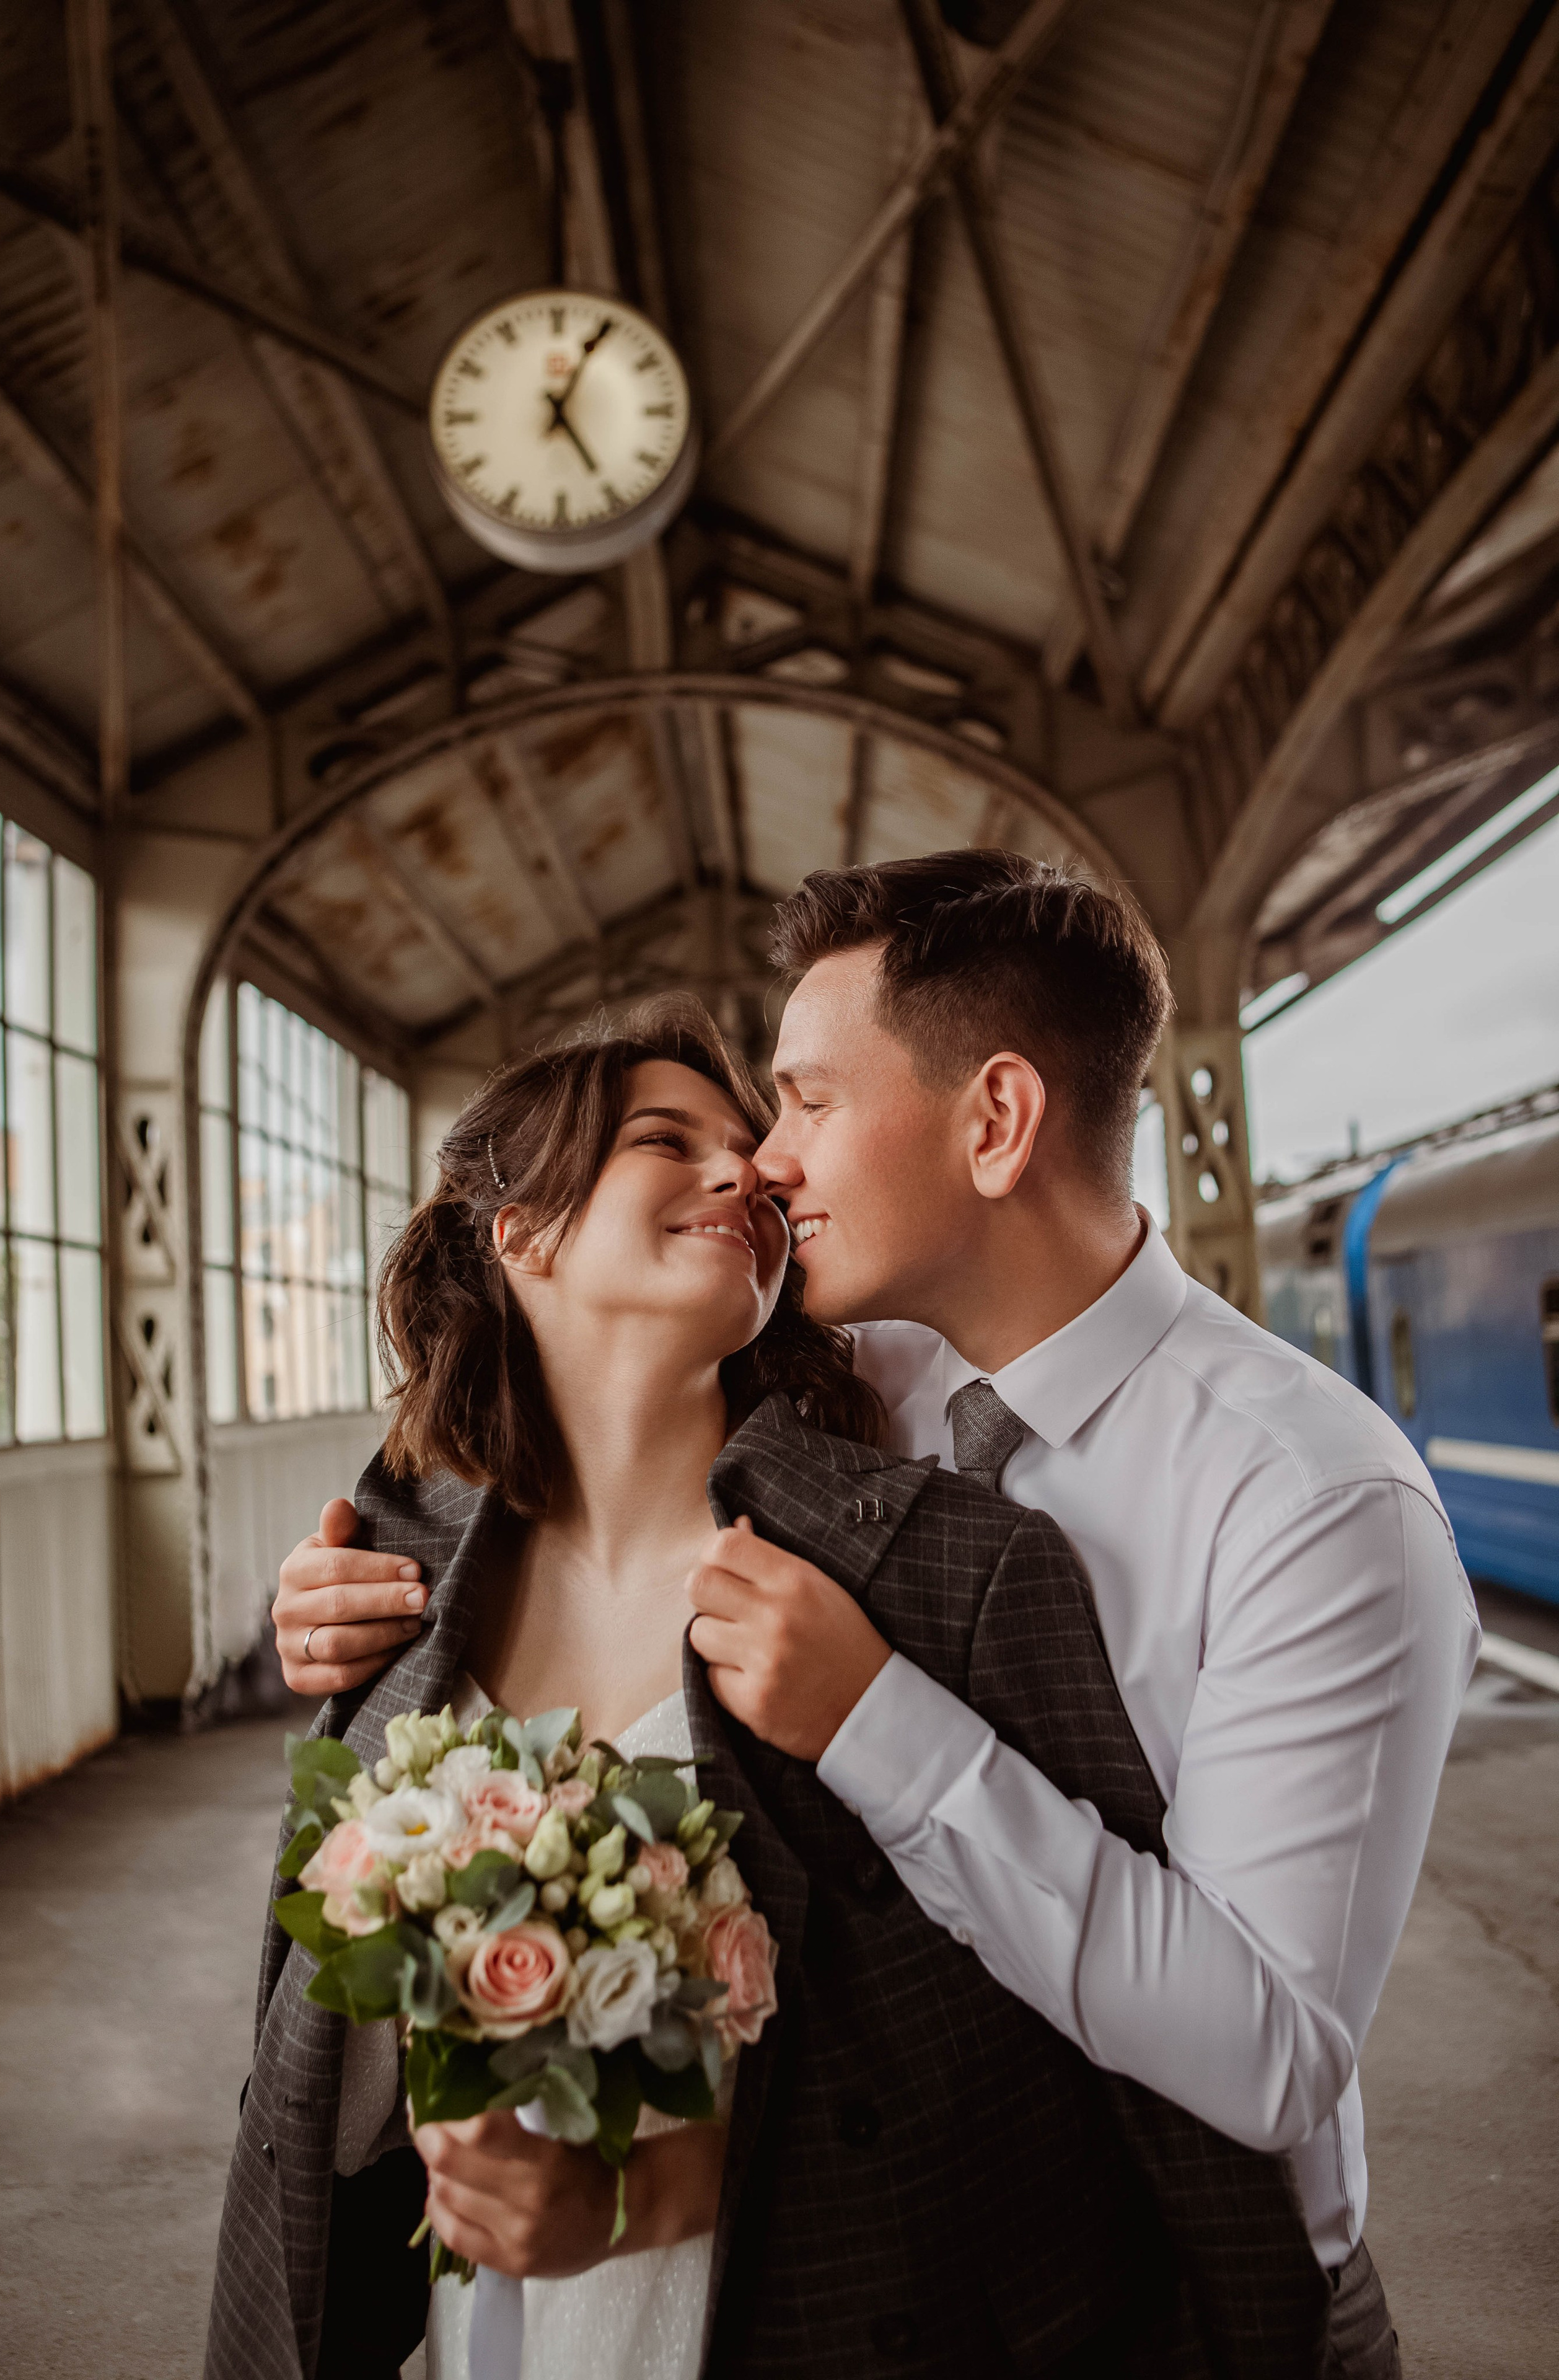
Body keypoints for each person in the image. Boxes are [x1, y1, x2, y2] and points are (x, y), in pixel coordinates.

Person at [276, 853, 1479, 2380]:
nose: (766, 1164)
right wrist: (344, 1583)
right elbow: (567, 1427)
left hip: (1203, 2297)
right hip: (877, 2263)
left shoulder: (1312, 1499)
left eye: (803, 1102)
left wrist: (877, 1726)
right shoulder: (840, 1400)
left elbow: (1269, 2055)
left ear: (994, 1121)